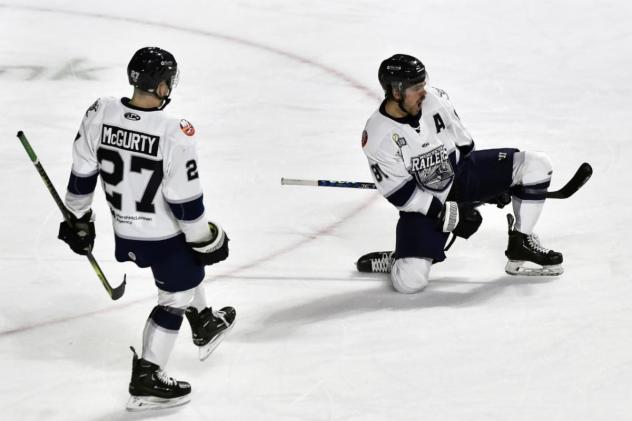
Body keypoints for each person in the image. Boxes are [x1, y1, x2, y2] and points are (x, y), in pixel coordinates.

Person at [57, 46, 236, 411]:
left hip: (126, 230)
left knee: (188, 269)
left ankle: (203, 320)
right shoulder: (174, 131)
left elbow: (82, 174)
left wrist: (78, 218)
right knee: (174, 297)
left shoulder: (100, 112)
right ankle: (148, 378)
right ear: (162, 87)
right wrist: (207, 239)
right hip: (163, 235)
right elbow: (185, 204)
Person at [357, 53, 563, 293]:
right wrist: (448, 214)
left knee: (535, 164)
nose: (423, 91)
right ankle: (398, 259)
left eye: (423, 83)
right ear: (395, 91)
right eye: (415, 87)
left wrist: (488, 189)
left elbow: (466, 147)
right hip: (426, 201)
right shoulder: (378, 135)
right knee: (410, 283)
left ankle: (522, 242)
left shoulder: (435, 99)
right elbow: (401, 195)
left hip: (460, 173)